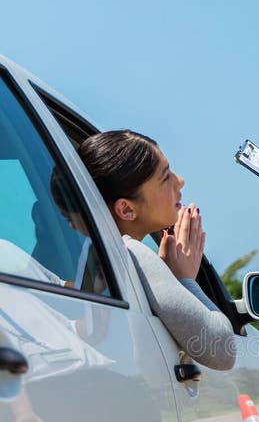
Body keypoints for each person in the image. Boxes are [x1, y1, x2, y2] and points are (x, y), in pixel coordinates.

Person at [77, 130, 236, 371]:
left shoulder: (88, 255)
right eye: (165, 177)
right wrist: (183, 280)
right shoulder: (129, 251)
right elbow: (222, 351)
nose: (180, 181)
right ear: (127, 210)